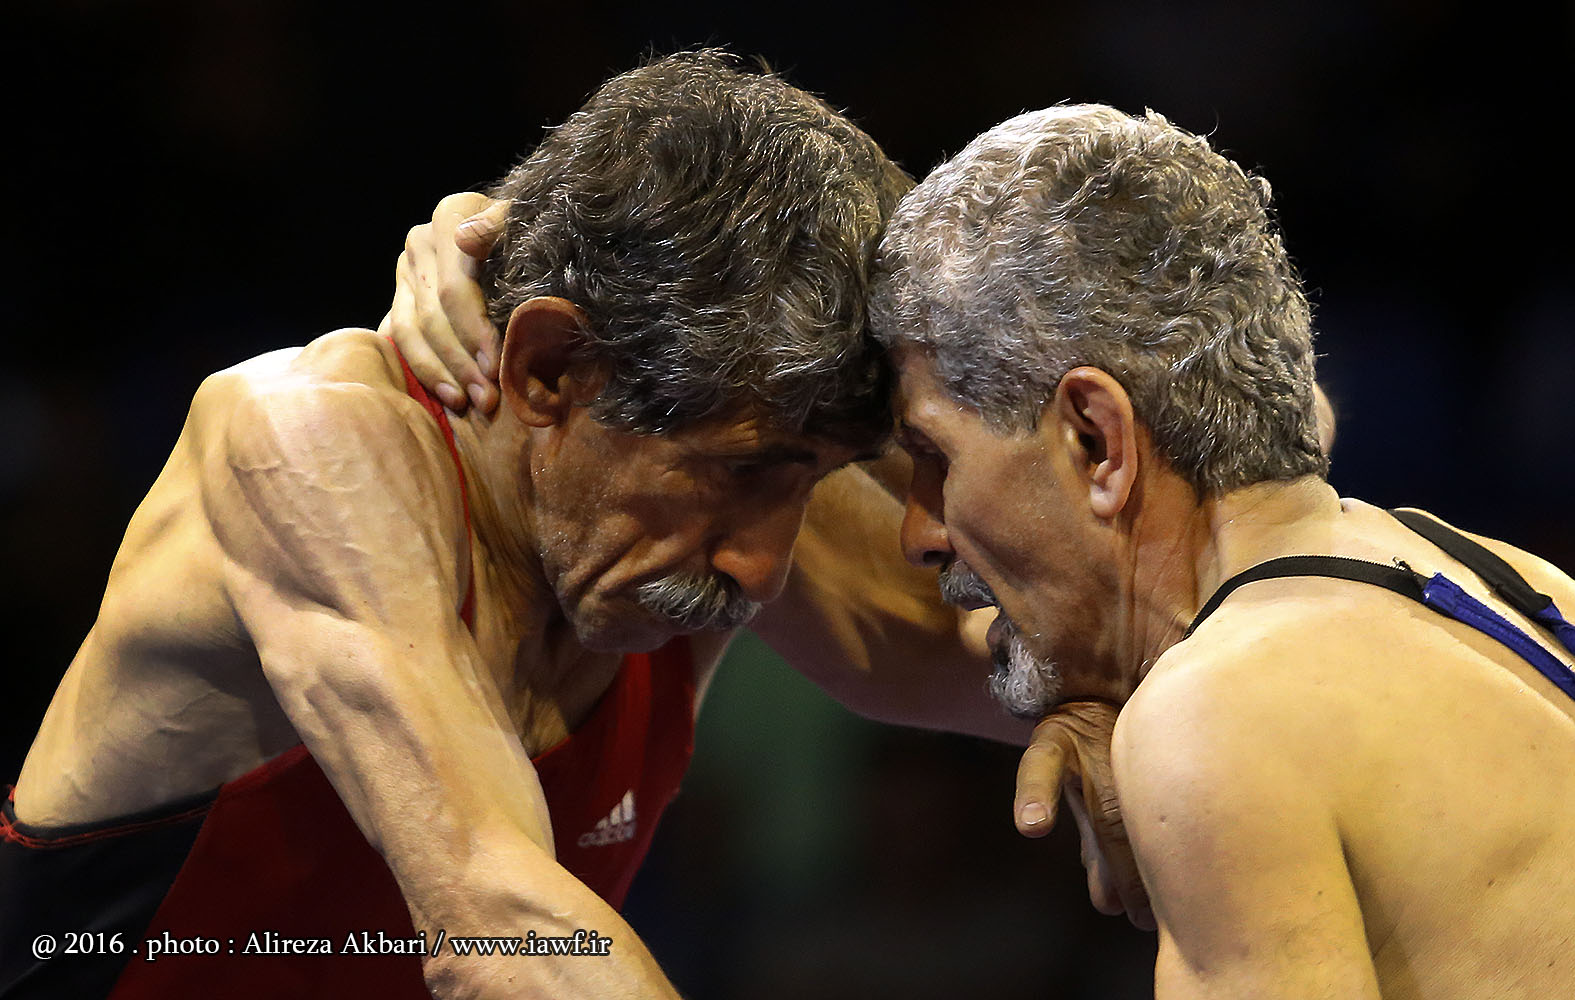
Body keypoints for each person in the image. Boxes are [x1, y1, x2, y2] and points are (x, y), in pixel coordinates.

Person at [6, 52, 1137, 1000]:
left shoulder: (706, 457)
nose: (763, 566)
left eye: (812, 477)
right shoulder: (308, 443)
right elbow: (490, 918)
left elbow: (1109, 652)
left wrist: (1117, 714)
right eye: (740, 473)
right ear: (547, 367)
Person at [865, 103, 1575, 997]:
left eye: (936, 457)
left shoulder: (1213, 720)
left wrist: (1178, 734)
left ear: (1098, 442)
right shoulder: (1521, 585)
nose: (919, 533)